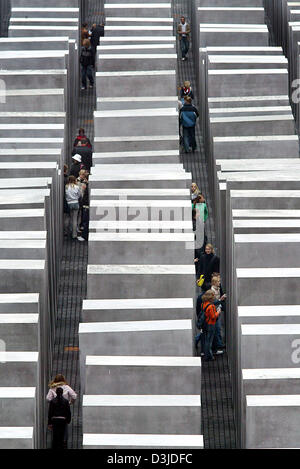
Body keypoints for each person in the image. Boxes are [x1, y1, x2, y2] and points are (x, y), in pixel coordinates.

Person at [201, 290, 220, 361]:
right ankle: (209, 356)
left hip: (205, 324)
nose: (214, 296)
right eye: (213, 295)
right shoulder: (211, 306)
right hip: (211, 324)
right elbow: (213, 316)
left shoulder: (203, 304)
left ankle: (207, 355)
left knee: (206, 340)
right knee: (209, 341)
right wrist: (218, 312)